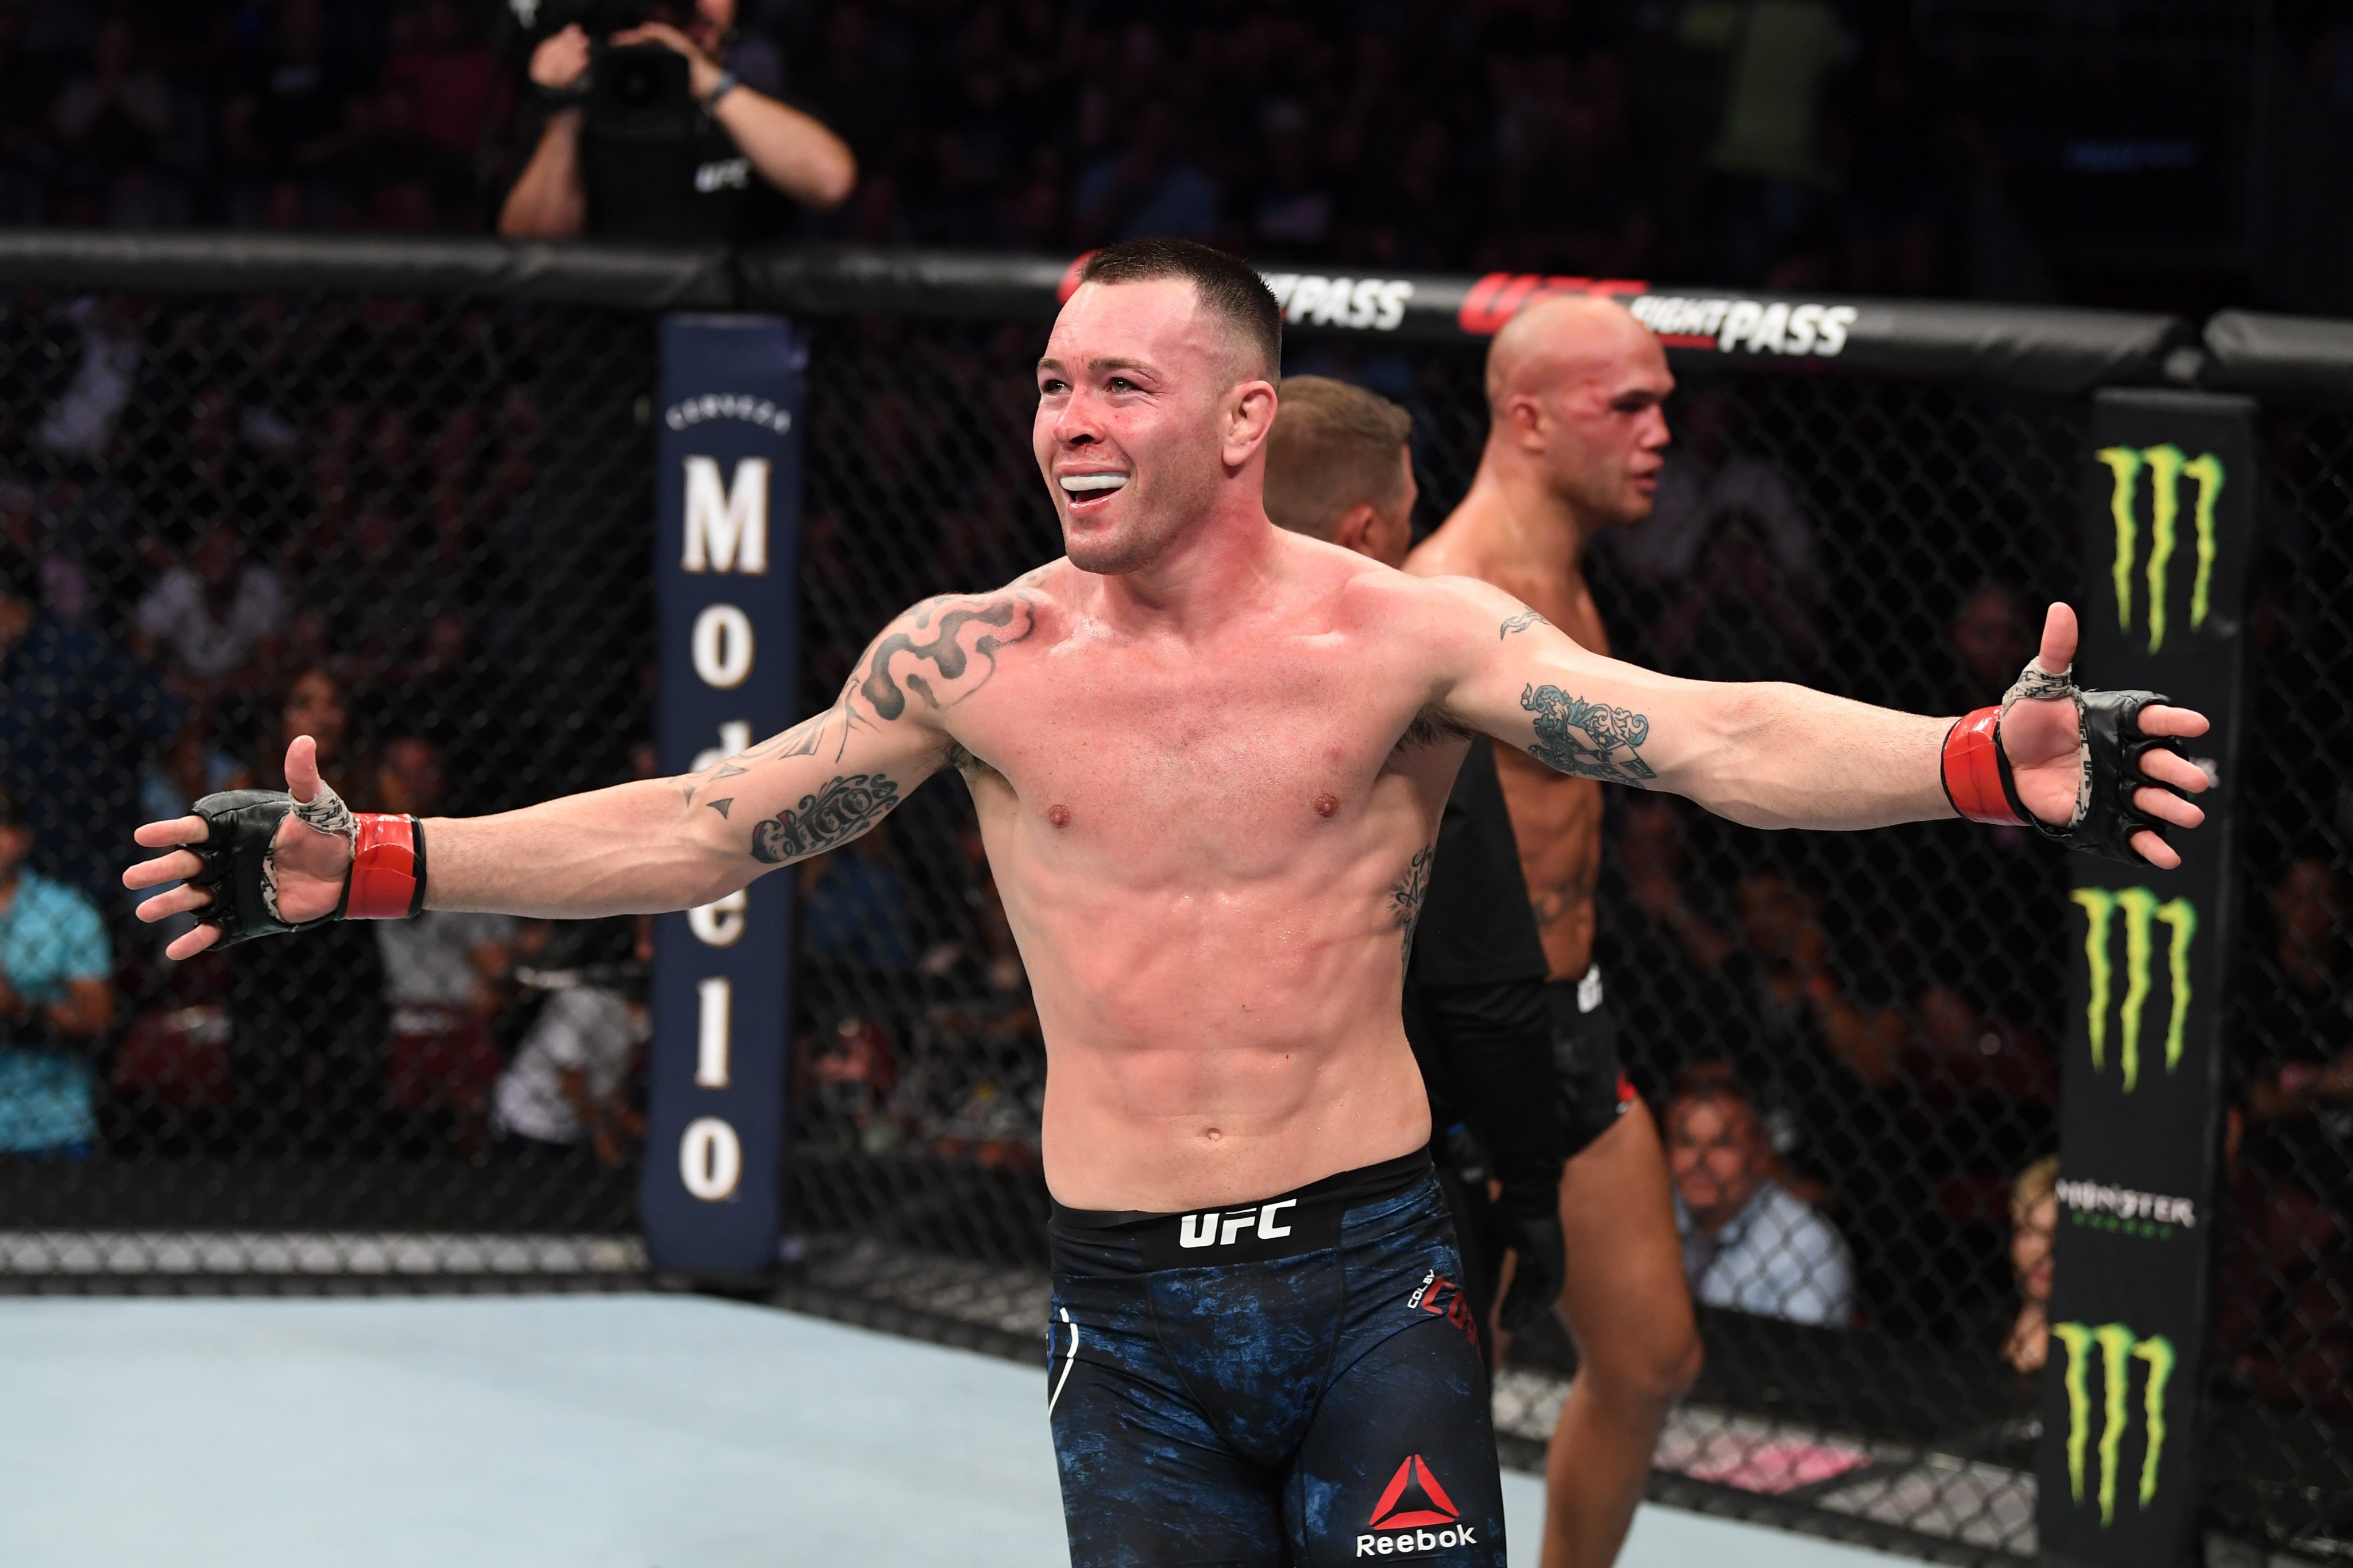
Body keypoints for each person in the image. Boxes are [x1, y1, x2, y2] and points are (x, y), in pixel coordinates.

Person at [127, 239, 2211, 1568]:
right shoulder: (975, 652)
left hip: (1371, 1275)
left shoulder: (1410, 634)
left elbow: (1704, 736)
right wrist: (388, 862)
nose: (1065, 422)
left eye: (1116, 386)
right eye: (1048, 386)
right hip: (1119, 1305)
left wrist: (1966, 756)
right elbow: (715, 824)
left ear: (1235, 420)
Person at [1407, 293, 1706, 1568]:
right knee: (1422, 1410)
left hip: (1570, 1020)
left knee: (1647, 1359)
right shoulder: (1442, 596)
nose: (1657, 435)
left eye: (1662, 406)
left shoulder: (1565, 570)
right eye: (1625, 406)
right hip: (1454, 1046)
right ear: (1524, 418)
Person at [1262, 373, 1568, 1356]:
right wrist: (1529, 1190)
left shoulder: (1120, 663)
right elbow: (1482, 984)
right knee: (1400, 1501)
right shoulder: (1408, 702)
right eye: (1402, 522)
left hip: (1157, 1192)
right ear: (1362, 533)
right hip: (1378, 1191)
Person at [498, 0, 855, 242]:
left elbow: (830, 183)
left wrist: (706, 80)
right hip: (611, 336)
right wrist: (566, 109)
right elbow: (530, 249)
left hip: (738, 336)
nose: (697, 8)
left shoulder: (756, 89)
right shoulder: (591, 95)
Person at [1664, 1068, 1854, 1328]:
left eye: (1723, 1143)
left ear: (1760, 1153)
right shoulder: (1654, 1217)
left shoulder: (1808, 1247)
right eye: (1686, 1142)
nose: (1700, 1161)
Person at [0, 789, 115, 1158]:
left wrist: (18, 1008)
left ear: (22, 837)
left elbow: (97, 1019)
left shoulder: (68, 913)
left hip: (49, 1125)